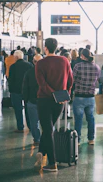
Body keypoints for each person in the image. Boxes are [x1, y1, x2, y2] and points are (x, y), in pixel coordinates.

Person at [34, 38, 73, 172]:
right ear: (56, 48)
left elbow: (42, 85)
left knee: (48, 129)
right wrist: (64, 95)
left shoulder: (40, 63)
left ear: (45, 48)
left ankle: (52, 163)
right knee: (48, 128)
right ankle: (41, 151)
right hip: (59, 102)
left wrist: (54, 94)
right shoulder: (64, 61)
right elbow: (70, 81)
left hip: (44, 100)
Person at [72, 49, 100, 146]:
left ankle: (78, 140)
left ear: (83, 56)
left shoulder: (77, 66)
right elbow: (98, 80)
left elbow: (72, 80)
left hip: (79, 97)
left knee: (78, 119)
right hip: (91, 97)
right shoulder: (96, 67)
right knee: (90, 118)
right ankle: (91, 139)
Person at [8, 50, 33, 132]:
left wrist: (10, 90)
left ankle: (20, 127)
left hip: (16, 91)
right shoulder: (29, 65)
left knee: (18, 110)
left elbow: (10, 80)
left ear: (16, 57)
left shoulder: (13, 67)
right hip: (28, 91)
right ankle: (30, 126)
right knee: (28, 109)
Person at [22, 54, 43, 145]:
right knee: (47, 122)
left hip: (32, 101)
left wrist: (26, 100)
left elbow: (25, 88)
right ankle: (48, 138)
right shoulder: (47, 72)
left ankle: (37, 139)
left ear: (33, 62)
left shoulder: (29, 72)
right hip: (45, 101)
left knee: (34, 122)